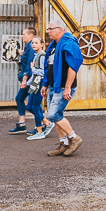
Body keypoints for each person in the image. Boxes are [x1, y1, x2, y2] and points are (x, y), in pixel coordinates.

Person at [41, 20, 84, 157]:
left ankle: (74, 138)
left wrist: (67, 87)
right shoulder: (54, 45)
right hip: (54, 86)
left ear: (60, 29)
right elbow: (49, 66)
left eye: (50, 29)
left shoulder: (69, 44)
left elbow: (73, 67)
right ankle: (64, 143)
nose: (48, 32)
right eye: (48, 29)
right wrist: (45, 84)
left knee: (54, 115)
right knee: (55, 115)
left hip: (62, 87)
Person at [25, 36, 55, 141]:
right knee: (29, 107)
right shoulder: (36, 55)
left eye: (36, 43)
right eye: (33, 43)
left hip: (40, 84)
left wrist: (33, 69)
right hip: (34, 84)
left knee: (35, 107)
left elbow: (43, 72)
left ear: (42, 44)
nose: (33, 44)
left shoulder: (42, 56)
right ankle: (47, 123)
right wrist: (28, 83)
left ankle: (39, 131)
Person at [10, 27, 36, 134]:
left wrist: (24, 80)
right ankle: (21, 124)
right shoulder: (27, 47)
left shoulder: (31, 47)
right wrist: (23, 54)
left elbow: (29, 65)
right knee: (19, 98)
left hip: (29, 79)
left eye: (24, 34)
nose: (22, 36)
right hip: (26, 78)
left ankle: (43, 123)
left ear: (30, 35)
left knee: (33, 103)